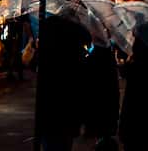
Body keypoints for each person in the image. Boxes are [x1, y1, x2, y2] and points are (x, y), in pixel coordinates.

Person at [35, 14, 91, 151]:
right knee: (64, 142)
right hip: (69, 110)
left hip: (49, 109)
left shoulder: (48, 47)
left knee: (51, 141)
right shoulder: (77, 53)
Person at [119, 29, 148, 151]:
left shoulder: (140, 49)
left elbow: (132, 72)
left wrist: (124, 66)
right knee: (144, 140)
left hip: (135, 104)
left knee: (134, 141)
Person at [82, 40, 121, 145]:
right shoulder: (110, 56)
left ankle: (100, 142)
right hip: (109, 102)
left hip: (97, 101)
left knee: (99, 127)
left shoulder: (93, 56)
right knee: (106, 130)